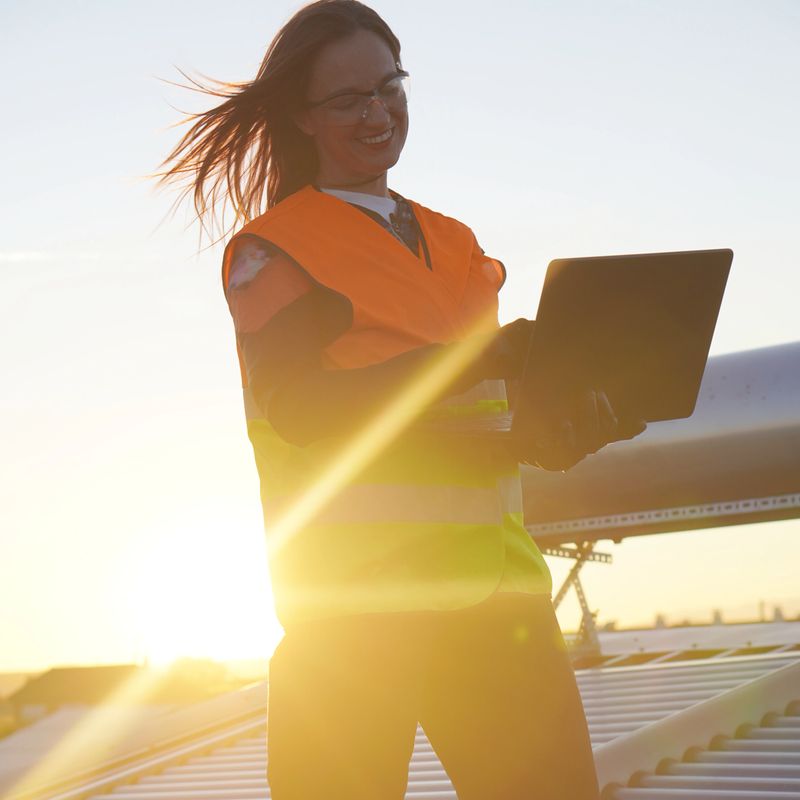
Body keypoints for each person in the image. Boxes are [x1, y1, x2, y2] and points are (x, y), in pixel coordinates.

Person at [158, 2, 644, 797]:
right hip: (353, 625)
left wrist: (559, 433)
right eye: (348, 100)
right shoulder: (274, 249)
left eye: (390, 87)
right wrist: (467, 362)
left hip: (502, 613)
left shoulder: (456, 244)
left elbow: (482, 427)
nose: (378, 112)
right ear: (300, 118)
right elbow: (305, 410)